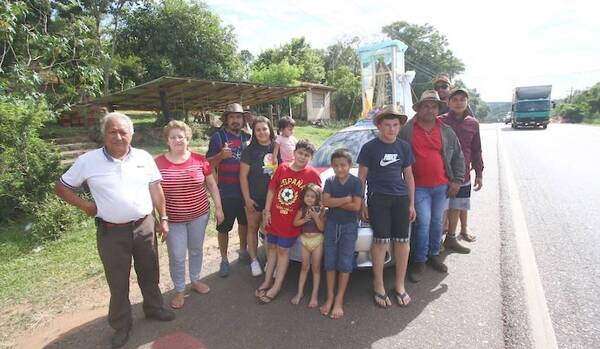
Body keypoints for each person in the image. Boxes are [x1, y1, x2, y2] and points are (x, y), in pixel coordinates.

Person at [54, 112, 175, 348]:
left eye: (123, 131)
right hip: (112, 232)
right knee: (118, 281)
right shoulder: (88, 161)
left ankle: (153, 308)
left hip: (145, 226)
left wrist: (164, 218)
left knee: (150, 272)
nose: (118, 136)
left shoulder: (143, 157)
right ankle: (121, 325)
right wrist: (86, 206)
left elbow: (156, 188)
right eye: (113, 131)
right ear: (104, 134)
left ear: (131, 134)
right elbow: (61, 187)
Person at [155, 120, 225, 309]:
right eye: (173, 137)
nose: (178, 140)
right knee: (177, 255)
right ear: (167, 141)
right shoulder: (157, 163)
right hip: (173, 219)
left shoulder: (200, 160)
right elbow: (152, 193)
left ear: (188, 138)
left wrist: (218, 208)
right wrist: (158, 219)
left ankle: (195, 280)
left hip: (199, 215)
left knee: (195, 249)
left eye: (181, 136)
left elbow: (211, 185)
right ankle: (179, 290)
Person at [398, 90, 466, 283]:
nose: (430, 109)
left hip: (441, 186)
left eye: (434, 106)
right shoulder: (407, 130)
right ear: (418, 108)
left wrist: (457, 180)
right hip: (418, 188)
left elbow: (458, 156)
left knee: (437, 223)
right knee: (423, 223)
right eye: (426, 105)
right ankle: (419, 261)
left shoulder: (446, 130)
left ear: (438, 109)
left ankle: (433, 254)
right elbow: (399, 157)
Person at [358, 105, 416, 309]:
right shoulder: (369, 148)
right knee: (380, 241)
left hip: (400, 198)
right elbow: (362, 177)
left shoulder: (404, 147)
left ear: (400, 127)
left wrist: (411, 203)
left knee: (402, 242)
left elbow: (409, 176)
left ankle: (399, 284)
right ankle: (379, 284)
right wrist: (361, 202)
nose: (391, 129)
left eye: (395, 125)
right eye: (387, 125)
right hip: (378, 198)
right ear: (379, 126)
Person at [256, 140, 321, 304]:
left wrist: (316, 215)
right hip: (274, 217)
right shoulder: (283, 167)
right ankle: (267, 280)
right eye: (300, 153)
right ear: (294, 152)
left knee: (283, 251)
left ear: (310, 158)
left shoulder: (312, 174)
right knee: (271, 249)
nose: (302, 157)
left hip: (291, 221)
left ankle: (277, 286)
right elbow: (272, 189)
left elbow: (319, 197)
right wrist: (267, 211)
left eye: (307, 155)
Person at [206, 103, 252, 277]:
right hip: (225, 192)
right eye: (232, 117)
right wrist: (220, 156)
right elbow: (207, 165)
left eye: (238, 117)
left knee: (244, 224)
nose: (235, 120)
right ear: (226, 119)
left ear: (243, 119)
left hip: (245, 190)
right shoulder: (218, 137)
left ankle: (242, 251)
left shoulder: (248, 137)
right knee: (223, 228)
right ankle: (224, 260)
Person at [320, 149, 363, 319]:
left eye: (343, 165)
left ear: (349, 165)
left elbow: (356, 207)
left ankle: (339, 299)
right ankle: (330, 297)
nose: (339, 169)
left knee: (345, 262)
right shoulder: (330, 181)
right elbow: (325, 201)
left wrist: (334, 203)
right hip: (331, 225)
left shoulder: (356, 182)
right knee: (329, 262)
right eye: (336, 165)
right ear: (332, 166)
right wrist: (345, 200)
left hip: (349, 227)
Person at [440, 88, 484, 243]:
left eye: (462, 99)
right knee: (442, 208)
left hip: (463, 173)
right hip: (442, 173)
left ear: (467, 102)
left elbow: (477, 149)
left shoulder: (473, 123)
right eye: (455, 99)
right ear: (448, 102)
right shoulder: (440, 121)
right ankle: (438, 241)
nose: (459, 103)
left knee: (459, 205)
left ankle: (456, 235)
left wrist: (479, 173)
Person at [240, 116, 281, 277]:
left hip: (272, 199)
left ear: (270, 129)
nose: (262, 132)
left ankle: (270, 262)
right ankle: (254, 260)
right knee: (253, 228)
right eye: (258, 129)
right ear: (254, 132)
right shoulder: (249, 151)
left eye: (265, 129)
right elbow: (243, 177)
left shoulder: (276, 147)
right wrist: (247, 199)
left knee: (269, 231)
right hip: (254, 197)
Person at [291, 183, 325, 308]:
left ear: (317, 198)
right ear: (304, 197)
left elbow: (322, 228)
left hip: (317, 240)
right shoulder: (302, 210)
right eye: (307, 196)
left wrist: (316, 217)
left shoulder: (320, 210)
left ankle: (314, 295)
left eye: (313, 197)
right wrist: (305, 219)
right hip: (305, 240)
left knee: (316, 268)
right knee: (304, 268)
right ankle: (299, 293)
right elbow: (295, 223)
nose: (310, 199)